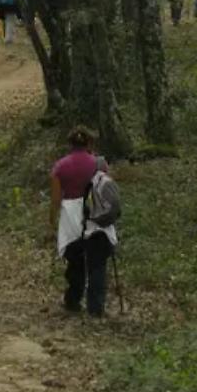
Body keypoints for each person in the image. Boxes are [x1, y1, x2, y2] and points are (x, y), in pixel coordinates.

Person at [50, 126, 119, 317]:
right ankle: (96, 307)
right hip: (96, 214)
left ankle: (73, 300)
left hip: (72, 218)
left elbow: (56, 199)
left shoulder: (60, 166)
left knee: (76, 260)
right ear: (89, 143)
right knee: (97, 264)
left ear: (70, 144)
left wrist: (51, 221)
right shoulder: (100, 164)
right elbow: (107, 188)